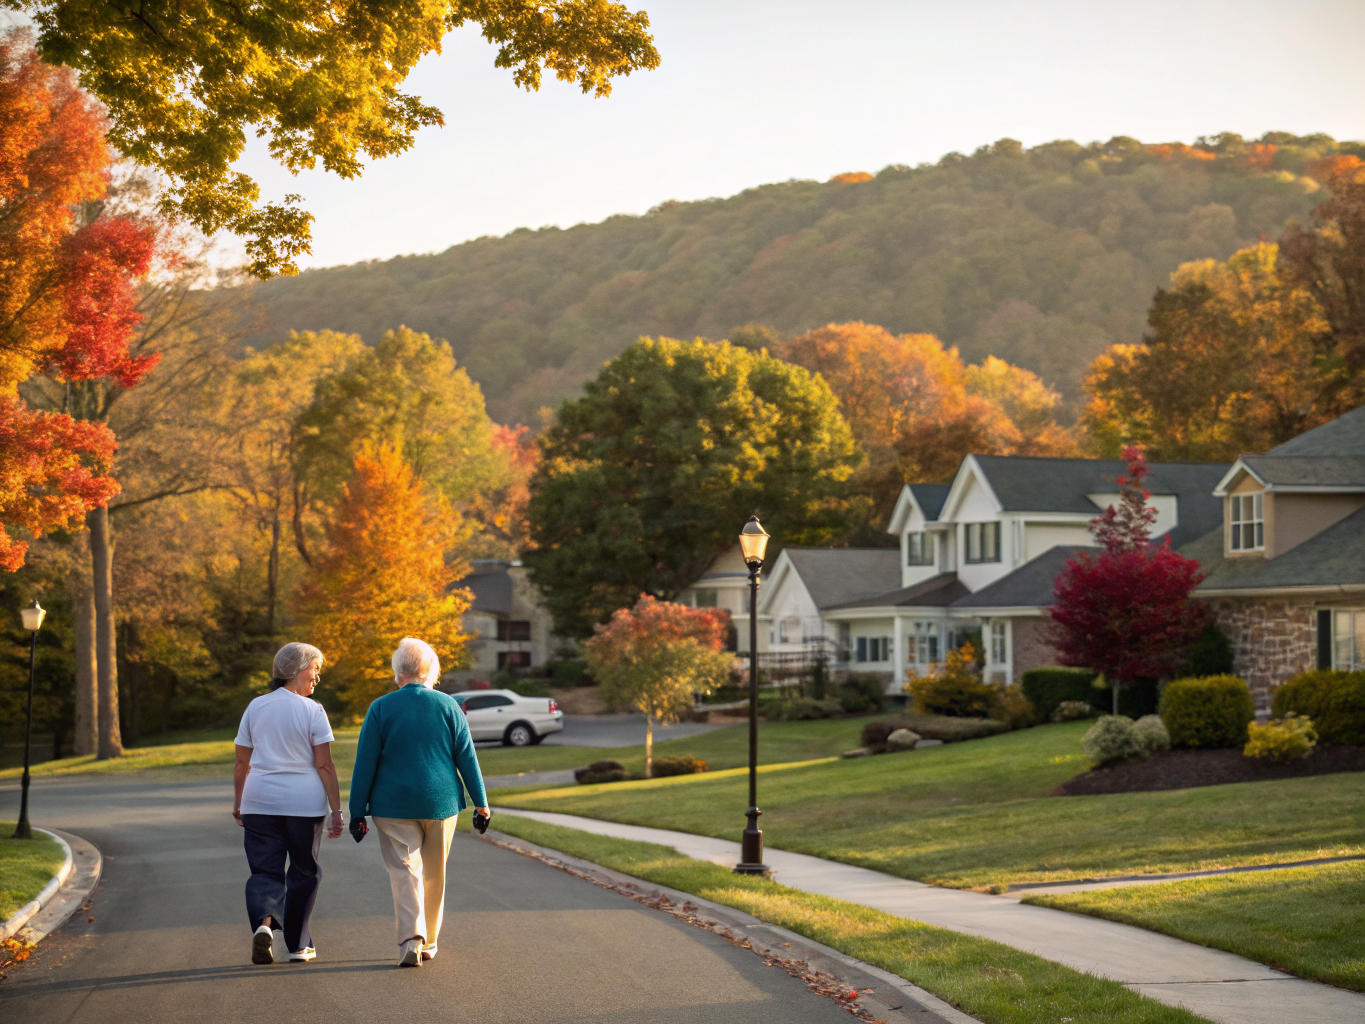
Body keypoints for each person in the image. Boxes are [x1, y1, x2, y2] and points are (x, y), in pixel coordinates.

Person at [348, 637, 490, 967]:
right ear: (430, 671)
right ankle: (430, 942)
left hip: (392, 805)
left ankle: (412, 937)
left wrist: (357, 812)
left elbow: (365, 763)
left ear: (398, 672)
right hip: (440, 803)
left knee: (404, 870)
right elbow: (467, 757)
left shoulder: (380, 707)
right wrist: (481, 803)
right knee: (434, 873)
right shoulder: (448, 706)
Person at [233, 643, 344, 965]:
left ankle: (264, 925)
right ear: (296, 669)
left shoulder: (255, 707)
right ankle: (297, 945)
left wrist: (239, 802)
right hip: (303, 805)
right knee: (304, 871)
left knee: (264, 871)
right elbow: (325, 765)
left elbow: (242, 763)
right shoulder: (313, 711)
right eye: (315, 669)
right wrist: (337, 810)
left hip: (258, 802)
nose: (317, 677)